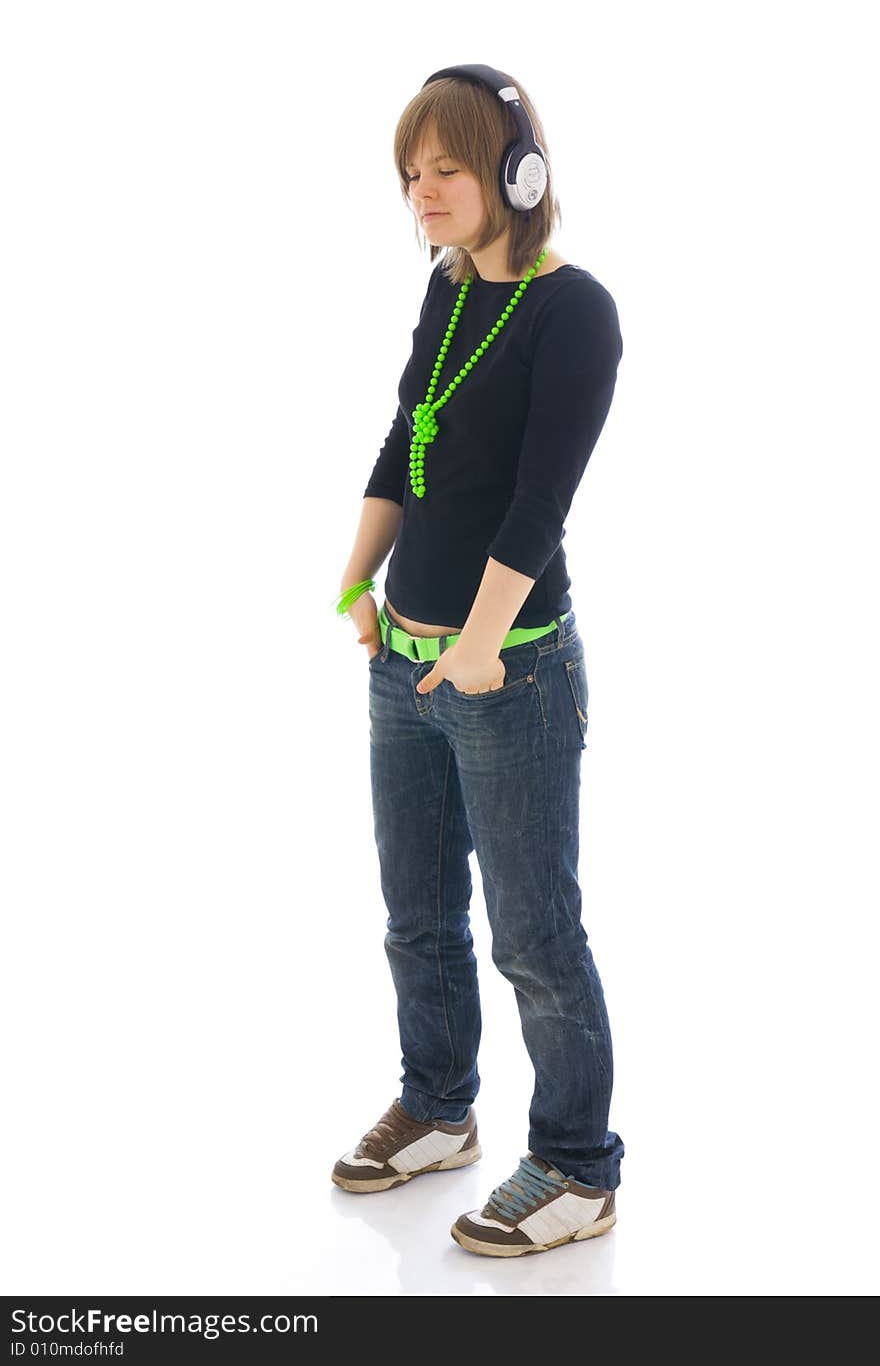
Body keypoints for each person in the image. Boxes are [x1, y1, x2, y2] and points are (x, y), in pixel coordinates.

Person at [332, 65, 625, 1258]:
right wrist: (358, 580)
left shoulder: (577, 311)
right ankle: (442, 1107)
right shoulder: (447, 290)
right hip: (406, 664)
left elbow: (535, 507)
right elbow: (408, 433)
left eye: (447, 168)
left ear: (519, 173)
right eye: (412, 173)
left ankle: (574, 1165)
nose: (423, 192)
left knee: (534, 934)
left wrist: (477, 647)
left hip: (509, 673)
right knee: (415, 914)